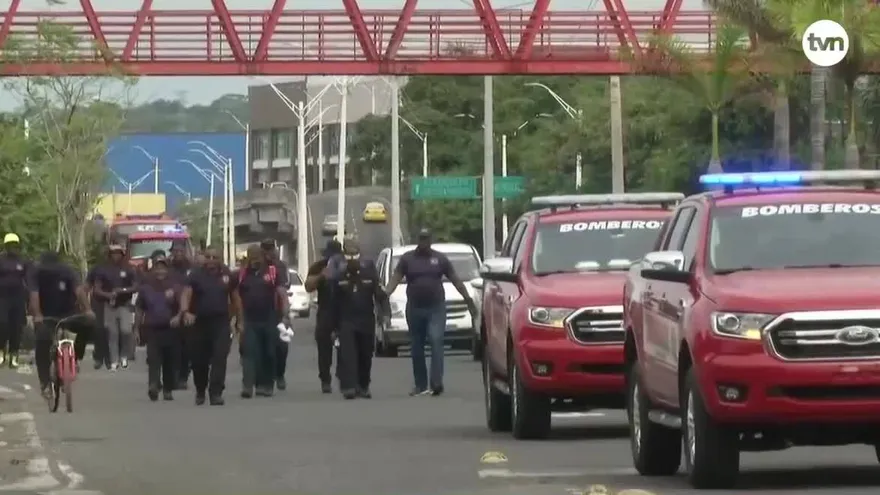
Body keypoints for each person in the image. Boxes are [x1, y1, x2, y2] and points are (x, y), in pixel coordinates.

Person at [384, 229, 477, 396]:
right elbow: (395, 279)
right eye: (421, 238)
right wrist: (385, 294)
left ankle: (436, 383)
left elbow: (455, 279)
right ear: (417, 239)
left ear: (431, 240)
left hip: (436, 308)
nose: (424, 242)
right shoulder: (407, 259)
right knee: (417, 346)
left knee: (436, 340)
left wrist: (468, 300)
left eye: (426, 238)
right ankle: (420, 385)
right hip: (415, 308)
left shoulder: (440, 259)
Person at [28, 251, 94, 398]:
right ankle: (76, 356)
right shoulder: (67, 270)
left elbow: (34, 295)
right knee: (87, 324)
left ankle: (46, 383)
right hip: (67, 315)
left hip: (48, 316)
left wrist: (38, 315)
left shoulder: (37, 271)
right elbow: (79, 292)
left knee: (42, 344)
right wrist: (88, 310)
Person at [331, 238, 388, 399]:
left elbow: (380, 295)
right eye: (348, 256)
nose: (352, 259)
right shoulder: (339, 276)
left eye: (354, 256)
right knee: (348, 354)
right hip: (346, 320)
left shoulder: (369, 272)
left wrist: (385, 315)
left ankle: (363, 385)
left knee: (365, 354)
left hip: (366, 320)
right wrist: (333, 328)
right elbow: (333, 304)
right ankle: (349, 387)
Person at [180, 246, 238, 406]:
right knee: (199, 361)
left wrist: (238, 320)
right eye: (208, 257)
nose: (211, 261)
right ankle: (200, 390)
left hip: (220, 323)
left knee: (220, 357)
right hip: (199, 323)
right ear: (204, 258)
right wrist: (185, 312)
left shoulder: (227, 275)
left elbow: (235, 298)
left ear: (220, 259)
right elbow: (186, 293)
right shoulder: (196, 275)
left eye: (215, 257)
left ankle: (216, 393)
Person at [237, 245, 289, 398]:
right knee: (249, 352)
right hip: (249, 319)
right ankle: (248, 385)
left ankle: (265, 384)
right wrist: (237, 320)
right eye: (251, 256)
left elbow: (282, 294)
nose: (254, 259)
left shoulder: (273, 272)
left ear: (263, 257)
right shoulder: (242, 274)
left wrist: (286, 315)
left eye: (257, 256)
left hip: (270, 318)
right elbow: (236, 297)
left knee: (269, 352)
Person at [135, 251, 183, 401]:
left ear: (167, 269)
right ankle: (153, 386)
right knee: (153, 359)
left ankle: (168, 389)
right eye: (157, 268)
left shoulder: (175, 286)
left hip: (171, 328)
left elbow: (183, 304)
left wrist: (178, 316)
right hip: (152, 328)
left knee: (169, 360)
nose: (160, 271)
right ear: (153, 269)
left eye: (163, 268)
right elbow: (139, 308)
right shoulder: (146, 286)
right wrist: (136, 328)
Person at [305, 239, 343, 393]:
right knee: (324, 346)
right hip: (326, 309)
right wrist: (321, 276)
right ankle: (325, 379)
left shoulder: (345, 265)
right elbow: (308, 286)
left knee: (346, 346)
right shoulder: (319, 266)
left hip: (343, 310)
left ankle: (344, 376)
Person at [92, 244, 137, 371]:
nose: (116, 255)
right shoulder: (103, 270)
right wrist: (108, 295)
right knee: (112, 334)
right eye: (113, 253)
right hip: (110, 305)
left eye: (118, 253)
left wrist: (122, 290)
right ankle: (114, 360)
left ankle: (124, 355)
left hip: (125, 304)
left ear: (122, 254)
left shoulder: (128, 268)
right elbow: (97, 289)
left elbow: (135, 286)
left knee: (126, 331)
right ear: (110, 255)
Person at [260, 239, 292, 390]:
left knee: (282, 346)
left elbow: (284, 288)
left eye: (270, 249)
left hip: (279, 311)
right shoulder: (257, 265)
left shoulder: (280, 266)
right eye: (265, 250)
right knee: (264, 347)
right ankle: (265, 377)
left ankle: (280, 375)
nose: (268, 253)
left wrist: (286, 314)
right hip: (262, 312)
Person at [0, 233, 33, 369]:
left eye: (15, 245)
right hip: (2, 298)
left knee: (16, 327)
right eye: (11, 245)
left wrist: (30, 299)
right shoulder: (1, 260)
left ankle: (14, 356)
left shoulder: (24, 262)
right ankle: (1, 353)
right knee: (3, 324)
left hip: (18, 299)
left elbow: (29, 281)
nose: (13, 248)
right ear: (6, 246)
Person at [168, 240, 192, 390]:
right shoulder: (167, 269)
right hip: (170, 312)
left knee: (187, 348)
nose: (178, 254)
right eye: (175, 251)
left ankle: (183, 376)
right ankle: (173, 377)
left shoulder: (192, 268)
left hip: (189, 312)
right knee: (172, 347)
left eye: (180, 251)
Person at [86, 248, 111, 370]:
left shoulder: (115, 269)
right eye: (104, 254)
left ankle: (109, 357)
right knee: (99, 329)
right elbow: (87, 285)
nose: (106, 256)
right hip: (97, 301)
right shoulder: (95, 269)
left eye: (108, 254)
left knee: (110, 330)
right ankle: (98, 357)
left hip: (112, 302)